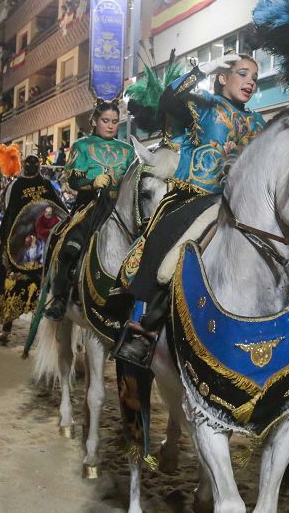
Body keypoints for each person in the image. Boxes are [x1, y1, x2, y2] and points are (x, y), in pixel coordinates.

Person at [114, 53, 265, 367]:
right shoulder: (205, 104)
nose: (250, 81)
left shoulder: (257, 121)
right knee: (166, 241)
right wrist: (202, 69)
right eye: (242, 73)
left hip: (240, 206)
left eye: (254, 76)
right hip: (196, 198)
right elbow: (170, 99)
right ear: (223, 78)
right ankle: (145, 327)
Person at [42, 100, 134, 321]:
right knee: (71, 245)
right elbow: (71, 177)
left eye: (115, 121)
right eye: (105, 121)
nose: (111, 126)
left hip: (120, 207)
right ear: (94, 121)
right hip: (90, 206)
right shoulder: (81, 146)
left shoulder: (128, 149)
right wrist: (92, 181)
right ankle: (60, 297)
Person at [0, 152, 67, 343]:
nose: (33, 166)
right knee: (13, 282)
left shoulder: (45, 184)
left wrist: (69, 218)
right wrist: (5, 237)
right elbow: (9, 212)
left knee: (47, 280)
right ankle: (7, 327)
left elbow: (58, 205)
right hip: (19, 243)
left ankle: (46, 325)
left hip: (43, 241)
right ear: (24, 165)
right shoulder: (15, 185)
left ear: (40, 165)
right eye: (30, 163)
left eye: (36, 163)